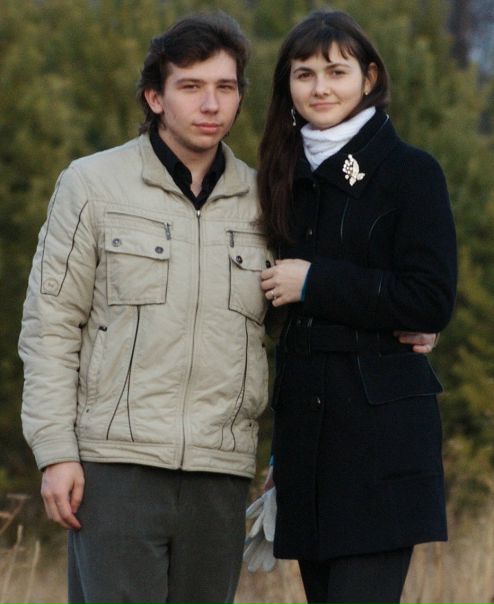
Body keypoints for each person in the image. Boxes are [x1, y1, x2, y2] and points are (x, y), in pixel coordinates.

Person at [18, 13, 275, 604]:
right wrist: (55, 452)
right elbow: (50, 326)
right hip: (115, 467)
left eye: (225, 87)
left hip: (220, 471)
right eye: (191, 86)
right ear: (155, 97)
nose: (210, 104)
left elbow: (300, 331)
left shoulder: (266, 201)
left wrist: (411, 320)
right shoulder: (91, 185)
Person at [258, 9, 457, 604]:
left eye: (336, 72)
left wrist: (316, 282)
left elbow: (430, 299)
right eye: (304, 74)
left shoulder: (411, 172)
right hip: (306, 442)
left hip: (381, 441)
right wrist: (278, 451)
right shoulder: (282, 176)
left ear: (369, 78)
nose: (320, 88)